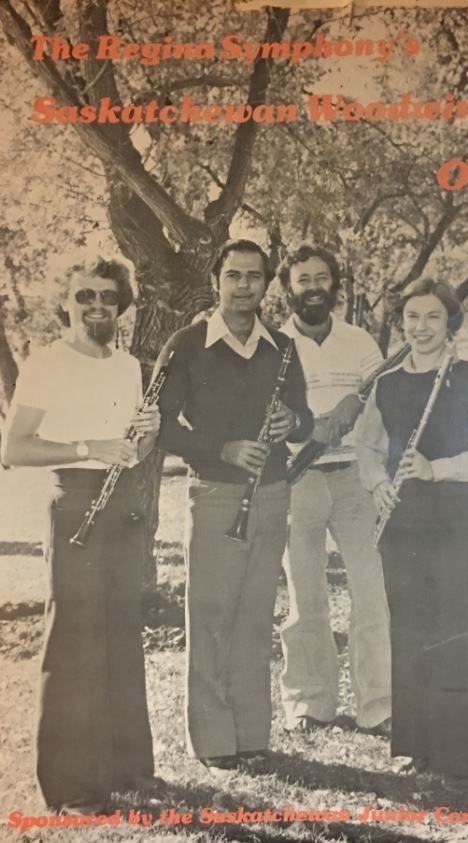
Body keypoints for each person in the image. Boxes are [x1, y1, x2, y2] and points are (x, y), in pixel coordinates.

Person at [1, 257, 162, 815]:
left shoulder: (128, 365)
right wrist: (87, 448)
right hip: (72, 499)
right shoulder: (46, 362)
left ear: (122, 304)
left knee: (120, 632)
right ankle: (69, 789)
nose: (97, 305)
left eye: (108, 296)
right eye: (85, 295)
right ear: (65, 302)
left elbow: (134, 451)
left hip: (121, 503)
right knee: (73, 641)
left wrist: (146, 436)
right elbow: (14, 448)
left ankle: (127, 770)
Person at [154, 238, 313, 770]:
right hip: (217, 494)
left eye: (254, 277)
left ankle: (252, 733)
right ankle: (215, 739)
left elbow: (305, 417)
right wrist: (220, 448)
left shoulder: (283, 347)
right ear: (216, 281)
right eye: (234, 276)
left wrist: (294, 423)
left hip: (271, 494)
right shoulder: (188, 343)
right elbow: (161, 428)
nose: (244, 286)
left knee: (254, 616)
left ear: (267, 284)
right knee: (212, 614)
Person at [356, 277, 468, 781]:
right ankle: (421, 747)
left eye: (433, 318)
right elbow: (368, 449)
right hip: (404, 522)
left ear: (450, 324)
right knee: (413, 630)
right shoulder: (388, 383)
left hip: (456, 519)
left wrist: (437, 469)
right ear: (402, 323)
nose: (421, 328)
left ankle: (465, 753)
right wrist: (377, 484)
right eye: (413, 317)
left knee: (456, 629)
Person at [277, 244, 391, 735]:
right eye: (303, 280)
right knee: (305, 597)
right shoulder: (272, 344)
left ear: (334, 286)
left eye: (321, 278)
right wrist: (310, 428)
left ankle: (380, 705)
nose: (313, 288)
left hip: (355, 481)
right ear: (288, 289)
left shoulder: (360, 340)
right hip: (295, 478)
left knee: (372, 593)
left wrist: (354, 408)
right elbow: (264, 412)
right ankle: (309, 703)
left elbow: (385, 400)